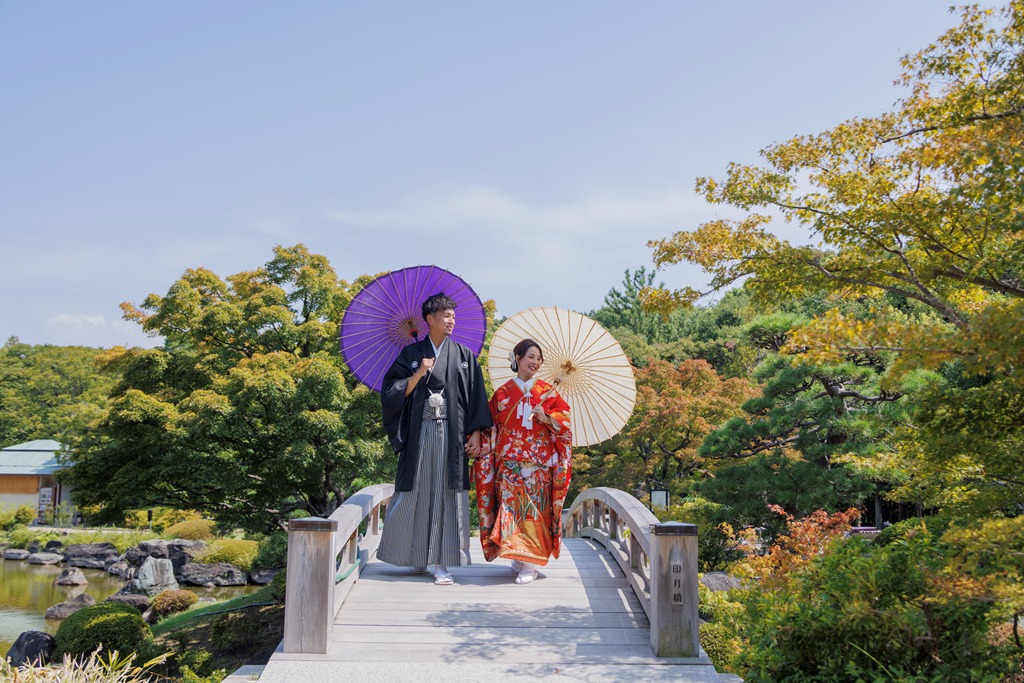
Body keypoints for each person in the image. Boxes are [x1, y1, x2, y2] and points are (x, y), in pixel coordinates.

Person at [376, 293, 493, 585]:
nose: (452, 320)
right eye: (446, 316)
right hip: (420, 433)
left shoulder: (464, 356)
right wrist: (419, 373)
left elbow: (477, 398)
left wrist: (476, 433)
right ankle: (416, 555)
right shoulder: (410, 355)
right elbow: (391, 394)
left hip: (451, 436)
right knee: (416, 490)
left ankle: (443, 562)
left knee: (446, 493)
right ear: (430, 320)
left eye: (453, 316)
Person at [474, 338, 572, 584]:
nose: (535, 362)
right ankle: (519, 554)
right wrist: (478, 442)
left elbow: (566, 427)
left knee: (534, 511)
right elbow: (491, 427)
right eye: (531, 357)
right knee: (511, 511)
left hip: (538, 465)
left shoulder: (548, 393)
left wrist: (547, 418)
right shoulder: (503, 393)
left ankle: (531, 563)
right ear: (517, 358)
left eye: (539, 359)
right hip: (508, 463)